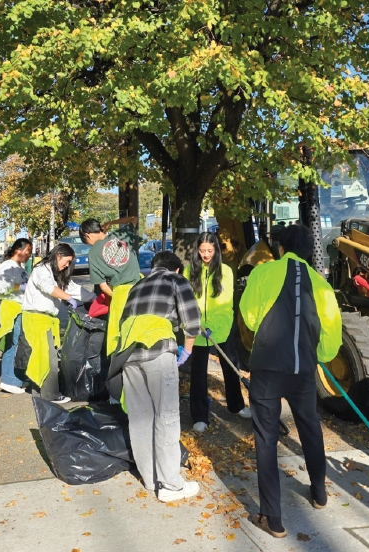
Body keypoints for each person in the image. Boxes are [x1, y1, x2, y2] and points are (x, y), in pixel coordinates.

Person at [239, 225, 342, 538]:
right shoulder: (321, 283)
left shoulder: (263, 273)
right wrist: (318, 355)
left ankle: (273, 518)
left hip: (268, 368)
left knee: (266, 439)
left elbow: (250, 317)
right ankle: (319, 493)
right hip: (303, 370)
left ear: (280, 248)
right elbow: (332, 334)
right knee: (310, 427)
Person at [110, 251, 201, 502]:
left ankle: (151, 480)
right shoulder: (175, 280)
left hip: (128, 355)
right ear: (177, 269)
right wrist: (188, 351)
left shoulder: (137, 285)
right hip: (158, 351)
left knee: (140, 418)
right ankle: (171, 485)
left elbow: (122, 323)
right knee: (167, 416)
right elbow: (192, 321)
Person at [183, 232, 249, 433]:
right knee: (198, 374)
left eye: (210, 251)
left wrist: (212, 324)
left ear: (216, 251)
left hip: (221, 327)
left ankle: (236, 405)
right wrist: (195, 324)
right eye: (202, 251)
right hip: (197, 330)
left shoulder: (226, 272)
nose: (206, 255)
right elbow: (187, 301)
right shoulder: (189, 271)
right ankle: (200, 416)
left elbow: (225, 303)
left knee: (230, 368)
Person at [20, 243, 95, 403]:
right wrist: (67, 298)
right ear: (58, 255)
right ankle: (50, 394)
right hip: (36, 319)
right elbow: (48, 287)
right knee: (48, 359)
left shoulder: (56, 273)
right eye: (66, 261)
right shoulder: (41, 270)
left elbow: (73, 288)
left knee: (43, 358)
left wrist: (93, 298)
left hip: (46, 320)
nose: (67, 265)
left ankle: (39, 393)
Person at [80, 216, 141, 355]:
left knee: (117, 335)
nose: (89, 244)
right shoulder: (121, 234)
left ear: (87, 235)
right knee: (138, 329)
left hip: (119, 293)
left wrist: (118, 296)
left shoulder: (93, 254)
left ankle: (117, 369)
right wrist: (111, 223)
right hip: (140, 289)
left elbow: (103, 286)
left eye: (87, 241)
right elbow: (134, 219)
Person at [0, 238, 33, 394]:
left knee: (19, 343)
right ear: (18, 250)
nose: (29, 254)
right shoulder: (7, 266)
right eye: (28, 251)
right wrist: (20, 286)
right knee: (13, 344)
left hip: (19, 308)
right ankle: (8, 380)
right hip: (11, 308)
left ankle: (17, 377)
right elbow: (1, 286)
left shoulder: (17, 267)